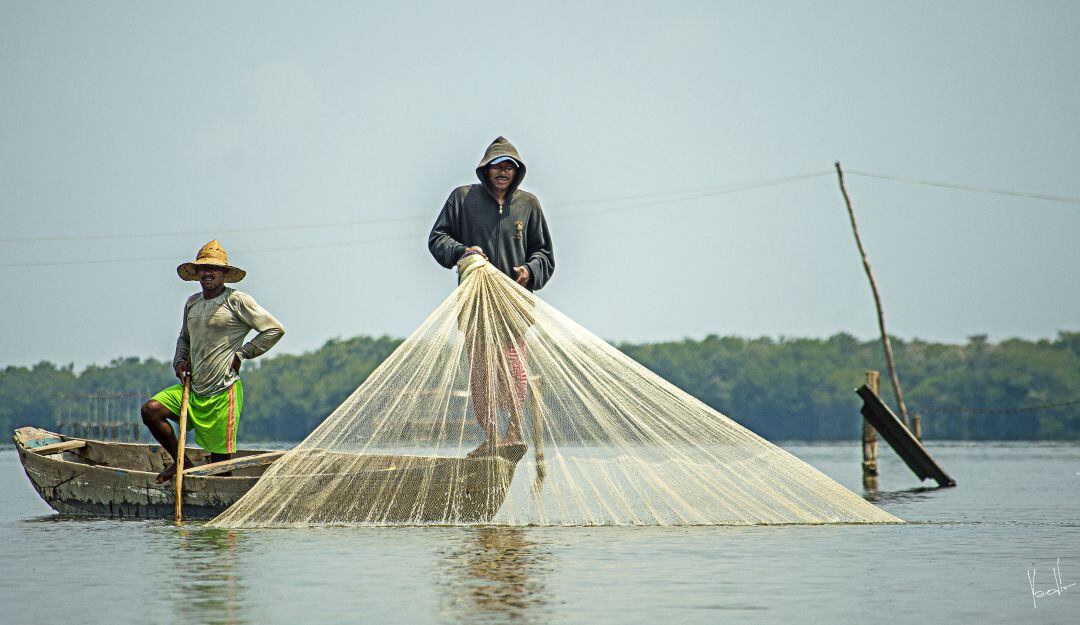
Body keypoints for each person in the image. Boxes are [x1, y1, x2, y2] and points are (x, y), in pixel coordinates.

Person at [428, 137, 555, 456]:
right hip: (475, 306)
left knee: (512, 370)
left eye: (509, 167)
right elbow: (438, 238)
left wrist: (529, 270)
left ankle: (512, 433)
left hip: (513, 307)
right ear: (486, 170)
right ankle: (492, 436)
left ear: (517, 173)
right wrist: (462, 251)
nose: (503, 171)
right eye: (497, 165)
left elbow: (544, 254)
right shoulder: (463, 198)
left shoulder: (528, 204)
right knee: (482, 376)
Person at [141, 240, 284, 483]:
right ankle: (182, 463)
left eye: (215, 269)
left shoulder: (237, 301)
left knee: (220, 466)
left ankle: (220, 510)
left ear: (225, 274)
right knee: (151, 410)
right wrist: (179, 361)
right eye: (203, 268)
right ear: (196, 274)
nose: (208, 273)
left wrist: (243, 353)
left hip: (223, 391)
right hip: (193, 388)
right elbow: (184, 338)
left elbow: (274, 330)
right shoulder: (192, 303)